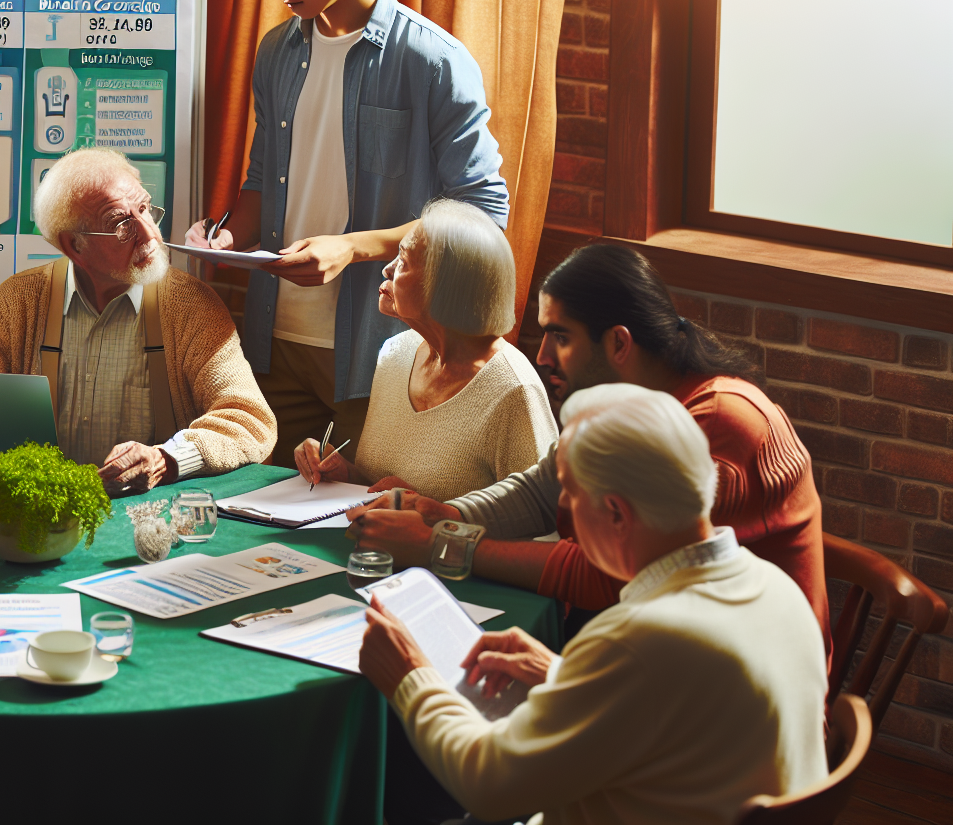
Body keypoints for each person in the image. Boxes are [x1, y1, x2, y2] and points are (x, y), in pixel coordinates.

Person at [359, 383, 828, 825]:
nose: (564, 509)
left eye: (571, 494)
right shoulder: (776, 587)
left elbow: (488, 785)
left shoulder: (639, 641)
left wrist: (411, 676)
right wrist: (566, 676)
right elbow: (681, 709)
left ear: (617, 513)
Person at [184, 0, 510, 466]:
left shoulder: (433, 62)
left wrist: (353, 247)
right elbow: (263, 179)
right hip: (273, 343)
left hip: (378, 350)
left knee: (361, 531)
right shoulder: (277, 52)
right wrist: (229, 234)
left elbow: (484, 215)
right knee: (257, 529)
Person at [350, 242, 830, 639]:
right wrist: (444, 513)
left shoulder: (720, 421)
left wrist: (440, 544)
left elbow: (608, 573)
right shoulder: (624, 399)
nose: (541, 355)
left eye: (560, 337)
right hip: (653, 644)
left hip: (725, 700)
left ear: (619, 344)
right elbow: (544, 487)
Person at [0, 149, 276, 495]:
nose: (150, 235)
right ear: (75, 245)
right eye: (121, 224)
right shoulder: (19, 301)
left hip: (151, 523)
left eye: (145, 209)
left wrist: (166, 458)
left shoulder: (191, 305)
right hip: (41, 517)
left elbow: (251, 422)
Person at [294, 199, 556, 500]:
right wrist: (345, 473)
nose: (387, 270)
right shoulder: (395, 353)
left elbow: (540, 524)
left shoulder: (514, 390)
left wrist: (431, 515)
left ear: (445, 286)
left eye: (403, 261)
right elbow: (381, 484)